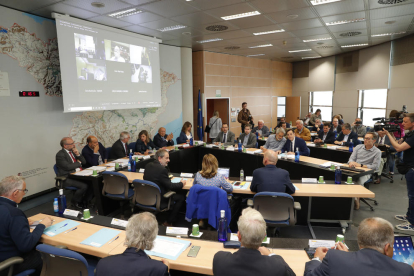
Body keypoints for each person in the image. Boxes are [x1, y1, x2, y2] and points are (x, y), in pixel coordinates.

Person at [304, 217, 414, 276]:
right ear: (386, 247)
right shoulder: (405, 271)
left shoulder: (335, 258)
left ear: (359, 241)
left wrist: (317, 258)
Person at [213, 208, 295, 276]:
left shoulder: (219, 260)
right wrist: (271, 254)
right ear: (264, 237)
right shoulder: (277, 266)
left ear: (239, 236)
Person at [0, 176, 53, 276]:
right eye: (24, 191)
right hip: (6, 265)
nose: (24, 194)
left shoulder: (9, 213)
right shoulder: (14, 213)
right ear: (15, 193)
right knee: (42, 257)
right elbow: (26, 245)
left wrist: (21, 223)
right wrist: (42, 225)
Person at [95, 212, 169, 276]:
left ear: (128, 232)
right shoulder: (159, 269)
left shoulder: (103, 263)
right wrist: (166, 272)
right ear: (152, 237)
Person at [383, 113, 414, 231]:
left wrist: (387, 134)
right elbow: (398, 142)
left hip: (412, 169)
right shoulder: (409, 134)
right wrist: (390, 133)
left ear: (413, 123)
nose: (402, 124)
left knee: (412, 196)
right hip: (409, 168)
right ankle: (409, 216)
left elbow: (398, 148)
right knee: (411, 195)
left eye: (405, 122)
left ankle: (412, 223)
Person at [143, 149, 186, 226]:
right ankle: (169, 221)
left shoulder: (148, 165)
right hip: (160, 198)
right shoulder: (162, 170)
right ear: (159, 158)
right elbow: (171, 186)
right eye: (166, 158)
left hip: (147, 196)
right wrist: (181, 183)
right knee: (181, 197)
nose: (169, 160)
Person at [348, 132, 381, 209]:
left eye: (368, 138)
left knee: (359, 180)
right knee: (344, 177)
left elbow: (375, 166)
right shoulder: (358, 147)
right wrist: (351, 162)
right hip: (354, 168)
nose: (365, 140)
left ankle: (356, 199)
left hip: (366, 172)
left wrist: (362, 165)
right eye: (365, 138)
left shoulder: (377, 152)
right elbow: (351, 158)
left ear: (374, 140)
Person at [56, 137, 89, 209]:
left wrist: (78, 155)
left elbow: (84, 162)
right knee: (84, 186)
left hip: (77, 174)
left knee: (92, 183)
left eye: (73, 143)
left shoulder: (73, 152)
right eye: (72, 144)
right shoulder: (60, 155)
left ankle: (85, 201)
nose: (74, 145)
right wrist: (78, 163)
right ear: (65, 146)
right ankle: (75, 202)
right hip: (66, 177)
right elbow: (68, 167)